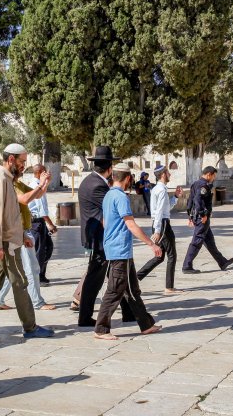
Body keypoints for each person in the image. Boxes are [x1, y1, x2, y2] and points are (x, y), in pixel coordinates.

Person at [0, 144, 54, 340]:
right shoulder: (0, 179)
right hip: (4, 243)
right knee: (20, 282)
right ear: (11, 159)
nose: (24, 166)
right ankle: (30, 327)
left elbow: (10, 213)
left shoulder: (7, 179)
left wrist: (21, 235)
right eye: (22, 162)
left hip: (7, 240)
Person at [93, 163, 163, 340]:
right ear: (128, 178)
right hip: (119, 251)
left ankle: (146, 325)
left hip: (119, 249)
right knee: (115, 289)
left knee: (132, 289)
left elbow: (105, 221)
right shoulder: (120, 197)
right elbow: (130, 224)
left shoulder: (108, 195)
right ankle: (101, 329)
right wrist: (151, 244)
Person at [75, 146, 135, 327]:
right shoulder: (98, 187)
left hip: (99, 238)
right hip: (101, 239)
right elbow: (111, 213)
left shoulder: (89, 181)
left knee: (119, 275)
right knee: (97, 278)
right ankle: (85, 317)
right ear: (109, 168)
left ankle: (129, 312)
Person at [0, 159, 56, 311]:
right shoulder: (10, 185)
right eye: (20, 166)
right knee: (32, 268)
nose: (23, 168)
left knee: (15, 269)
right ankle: (37, 302)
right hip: (18, 232)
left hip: (21, 231)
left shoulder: (19, 184)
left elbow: (38, 195)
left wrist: (45, 183)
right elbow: (25, 199)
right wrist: (41, 184)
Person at [137, 165, 184, 294]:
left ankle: (136, 278)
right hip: (162, 225)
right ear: (163, 174)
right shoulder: (161, 190)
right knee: (171, 255)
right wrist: (157, 230)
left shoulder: (158, 189)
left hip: (160, 223)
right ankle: (169, 287)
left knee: (159, 256)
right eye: (168, 172)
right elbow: (158, 212)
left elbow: (164, 209)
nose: (170, 175)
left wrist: (175, 196)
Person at [182, 166, 233, 274]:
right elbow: (197, 200)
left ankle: (222, 262)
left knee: (210, 241)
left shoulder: (195, 184)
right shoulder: (203, 185)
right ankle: (187, 266)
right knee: (197, 241)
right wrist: (202, 214)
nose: (214, 178)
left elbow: (190, 201)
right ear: (209, 174)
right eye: (214, 176)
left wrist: (190, 216)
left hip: (198, 217)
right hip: (202, 218)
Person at [29, 164, 58, 284]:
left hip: (40, 222)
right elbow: (41, 210)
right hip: (37, 222)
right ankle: (37, 276)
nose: (47, 173)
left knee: (47, 247)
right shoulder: (35, 186)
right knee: (40, 250)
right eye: (45, 172)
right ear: (40, 173)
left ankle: (40, 273)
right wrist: (51, 225)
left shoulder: (39, 185)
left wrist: (47, 182)